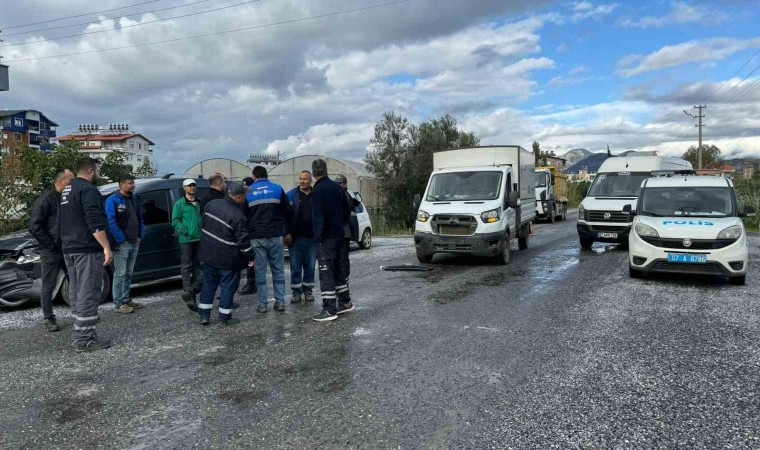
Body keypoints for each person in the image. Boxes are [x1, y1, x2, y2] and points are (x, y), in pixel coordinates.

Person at [59, 157, 113, 352]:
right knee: (88, 293)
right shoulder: (88, 190)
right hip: (86, 249)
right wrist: (106, 247)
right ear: (91, 170)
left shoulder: (67, 189)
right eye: (97, 169)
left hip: (69, 248)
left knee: (76, 292)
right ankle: (84, 340)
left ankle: (83, 333)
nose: (98, 173)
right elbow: (94, 221)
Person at [197, 182, 254, 326]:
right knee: (228, 287)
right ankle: (224, 317)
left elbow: (203, 223)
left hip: (208, 255)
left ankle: (204, 315)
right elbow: (243, 242)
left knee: (208, 286)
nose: (246, 198)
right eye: (245, 195)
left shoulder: (212, 204)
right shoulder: (238, 216)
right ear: (239, 197)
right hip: (228, 259)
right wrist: (250, 257)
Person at [27, 168, 74, 332]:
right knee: (49, 285)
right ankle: (49, 318)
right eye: (70, 180)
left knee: (74, 279)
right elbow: (34, 226)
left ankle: (80, 313)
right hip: (51, 250)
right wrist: (50, 245)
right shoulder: (46, 199)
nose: (73, 183)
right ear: (61, 182)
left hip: (68, 247)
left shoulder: (67, 198)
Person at [311, 160, 353, 322]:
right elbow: (346, 210)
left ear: (314, 173)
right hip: (339, 235)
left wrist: (318, 238)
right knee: (337, 270)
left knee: (326, 271)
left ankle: (329, 309)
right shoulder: (337, 187)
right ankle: (345, 301)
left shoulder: (318, 190)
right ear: (326, 170)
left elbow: (318, 217)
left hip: (326, 238)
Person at [246, 166, 292, 313]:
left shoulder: (248, 192)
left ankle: (262, 304)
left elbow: (243, 215)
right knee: (278, 270)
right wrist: (286, 232)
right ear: (266, 175)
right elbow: (288, 212)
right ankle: (280, 302)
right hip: (275, 235)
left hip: (256, 237)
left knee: (260, 271)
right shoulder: (277, 189)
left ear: (254, 177)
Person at [105, 174, 145, 314]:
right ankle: (118, 303)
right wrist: (121, 239)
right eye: (130, 183)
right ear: (121, 185)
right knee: (120, 273)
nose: (132, 185)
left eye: (133, 183)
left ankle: (126, 299)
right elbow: (110, 221)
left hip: (134, 242)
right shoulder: (113, 200)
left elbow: (140, 218)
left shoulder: (134, 199)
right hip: (122, 244)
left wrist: (140, 236)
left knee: (128, 273)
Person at [171, 179, 202, 311]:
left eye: (194, 185)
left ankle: (193, 292)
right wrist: (185, 231)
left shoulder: (199, 202)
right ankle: (187, 289)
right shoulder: (180, 204)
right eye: (189, 186)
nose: (192, 188)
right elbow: (175, 221)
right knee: (186, 265)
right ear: (184, 188)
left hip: (199, 238)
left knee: (198, 265)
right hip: (186, 240)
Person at [286, 170, 316, 303]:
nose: (302, 181)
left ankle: (308, 290)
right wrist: (285, 232)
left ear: (311, 180)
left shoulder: (316, 195)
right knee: (295, 266)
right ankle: (296, 292)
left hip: (312, 238)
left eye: (305, 179)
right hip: (295, 238)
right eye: (300, 178)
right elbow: (284, 216)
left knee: (310, 266)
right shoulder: (291, 195)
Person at [238, 176, 257, 295]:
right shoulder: (245, 200)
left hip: (250, 233)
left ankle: (252, 283)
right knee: (248, 260)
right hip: (246, 233)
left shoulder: (250, 200)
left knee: (251, 260)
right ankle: (251, 283)